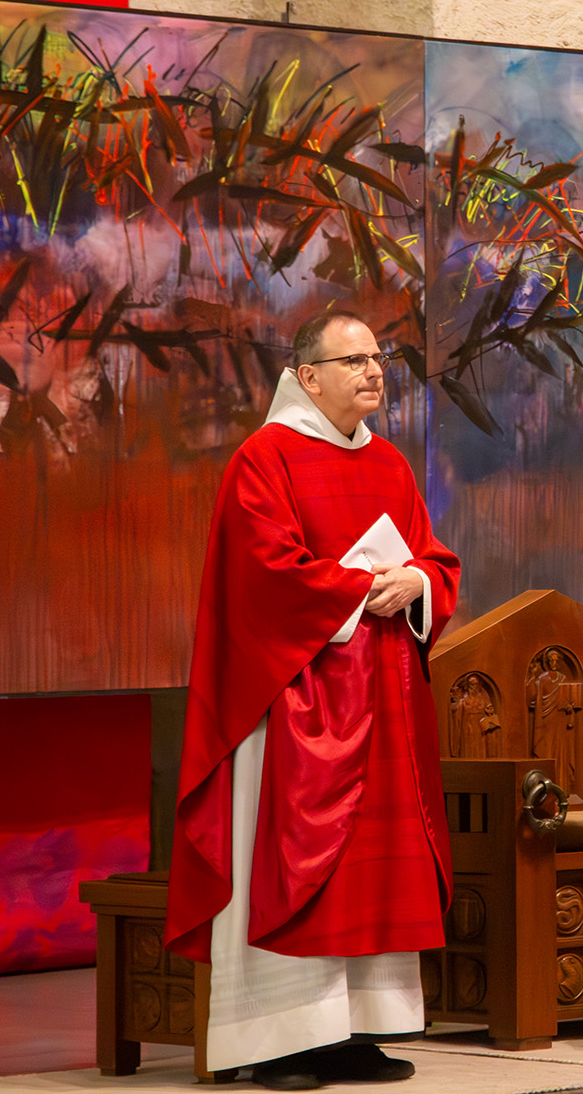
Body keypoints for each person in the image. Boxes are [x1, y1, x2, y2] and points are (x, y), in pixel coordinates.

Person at [165, 311, 460, 1091]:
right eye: (354, 359)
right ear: (307, 376)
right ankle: (282, 1037)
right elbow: (265, 572)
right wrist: (366, 588)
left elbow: (432, 554)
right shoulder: (264, 460)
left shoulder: (392, 465)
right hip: (296, 701)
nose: (373, 371)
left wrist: (420, 582)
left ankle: (359, 1028)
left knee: (377, 868)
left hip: (386, 699)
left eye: (379, 359)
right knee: (302, 865)